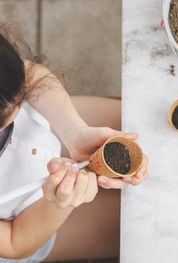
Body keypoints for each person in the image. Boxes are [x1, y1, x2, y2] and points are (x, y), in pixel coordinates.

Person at [0, 23, 149, 262]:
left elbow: (29, 74)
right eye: (6, 122)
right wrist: (60, 202)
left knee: (148, 125)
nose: (19, 110)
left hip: (52, 127)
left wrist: (75, 132)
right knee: (143, 226)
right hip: (33, 220)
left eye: (19, 100)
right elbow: (15, 242)